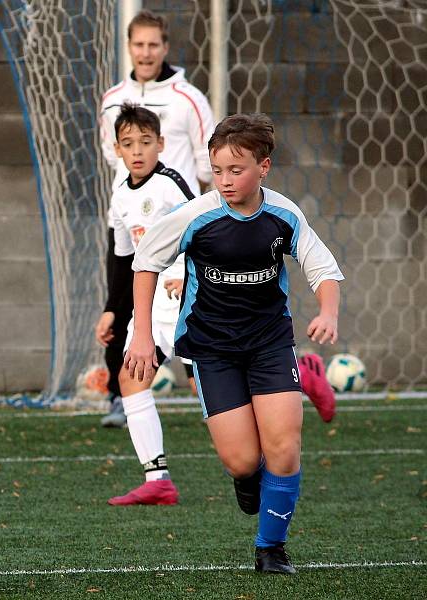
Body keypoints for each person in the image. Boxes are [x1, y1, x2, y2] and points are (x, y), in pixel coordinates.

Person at [125, 113, 343, 573]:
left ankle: (270, 548)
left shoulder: (283, 214)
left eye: (236, 170)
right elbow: (146, 262)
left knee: (284, 447)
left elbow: (322, 267)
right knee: (243, 460)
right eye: (218, 169)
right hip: (213, 348)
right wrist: (142, 335)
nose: (224, 180)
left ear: (263, 167)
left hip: (269, 343)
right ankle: (247, 479)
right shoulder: (197, 215)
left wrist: (328, 312)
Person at [98, 10, 213, 428]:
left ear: (165, 48)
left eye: (153, 44)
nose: (145, 53)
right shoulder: (112, 100)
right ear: (129, 47)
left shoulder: (190, 99)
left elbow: (208, 165)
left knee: (195, 320)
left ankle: (214, 394)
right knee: (122, 308)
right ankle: (120, 397)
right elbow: (112, 157)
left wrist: (198, 221)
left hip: (178, 226)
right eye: (138, 44)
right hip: (133, 219)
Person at [95, 103, 195, 506]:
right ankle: (158, 479)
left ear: (161, 144)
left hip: (185, 294)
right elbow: (122, 259)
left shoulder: (171, 184)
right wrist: (112, 310)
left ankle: (303, 379)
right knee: (130, 375)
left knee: (204, 386)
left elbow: (203, 228)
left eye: (146, 142)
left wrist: (184, 272)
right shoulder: (120, 196)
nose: (137, 151)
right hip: (149, 303)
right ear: (117, 150)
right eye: (128, 144)